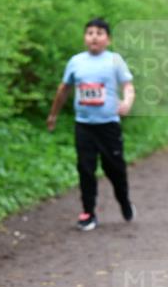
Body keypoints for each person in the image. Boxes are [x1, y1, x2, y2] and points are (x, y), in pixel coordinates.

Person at [47, 18, 135, 231]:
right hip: (84, 125)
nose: (94, 37)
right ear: (85, 37)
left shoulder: (114, 60)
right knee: (85, 169)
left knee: (114, 169)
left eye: (99, 33)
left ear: (108, 39)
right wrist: (53, 115)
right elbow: (63, 89)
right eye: (90, 33)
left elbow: (128, 86)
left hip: (108, 126)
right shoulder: (76, 62)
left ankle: (123, 200)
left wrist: (127, 102)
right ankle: (88, 212)